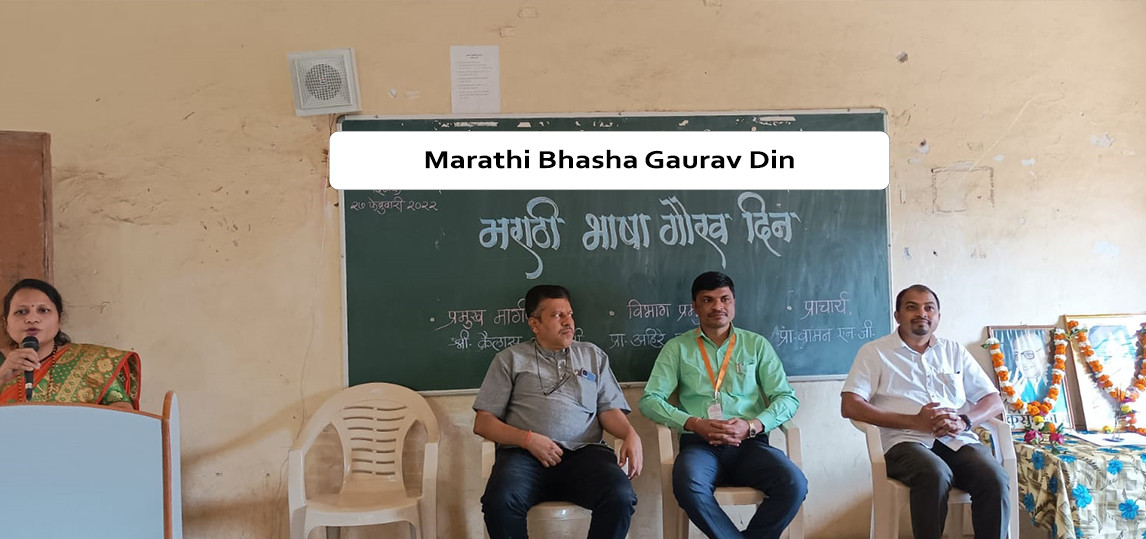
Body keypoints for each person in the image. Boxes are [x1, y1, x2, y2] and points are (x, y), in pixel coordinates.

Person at [639, 271, 806, 539]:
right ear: (695, 307)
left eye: (724, 299)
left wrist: (752, 425)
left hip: (750, 445)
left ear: (733, 303)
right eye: (708, 300)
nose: (718, 306)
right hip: (700, 447)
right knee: (687, 484)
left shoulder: (756, 345)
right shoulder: (677, 348)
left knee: (794, 484)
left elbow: (787, 398)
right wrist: (694, 424)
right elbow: (649, 400)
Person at [473, 284, 642, 539]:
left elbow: (608, 410)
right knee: (500, 501)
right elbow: (483, 422)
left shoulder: (592, 356)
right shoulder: (510, 359)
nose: (568, 321)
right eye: (557, 315)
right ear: (535, 324)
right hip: (525, 457)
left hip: (584, 455)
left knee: (620, 496)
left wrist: (630, 434)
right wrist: (527, 439)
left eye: (569, 314)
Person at [841, 284, 1009, 539]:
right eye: (912, 307)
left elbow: (994, 400)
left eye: (929, 308)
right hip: (904, 442)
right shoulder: (875, 352)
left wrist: (964, 421)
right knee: (935, 473)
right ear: (897, 315)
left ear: (938, 316)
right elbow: (850, 405)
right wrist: (914, 422)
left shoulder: (953, 351)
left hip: (956, 438)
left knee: (993, 477)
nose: (922, 313)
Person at [0, 278, 140, 409]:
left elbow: (122, 413)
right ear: (6, 323)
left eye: (43, 310)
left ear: (59, 319)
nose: (32, 319)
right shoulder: (3, 364)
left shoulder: (92, 361)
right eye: (21, 312)